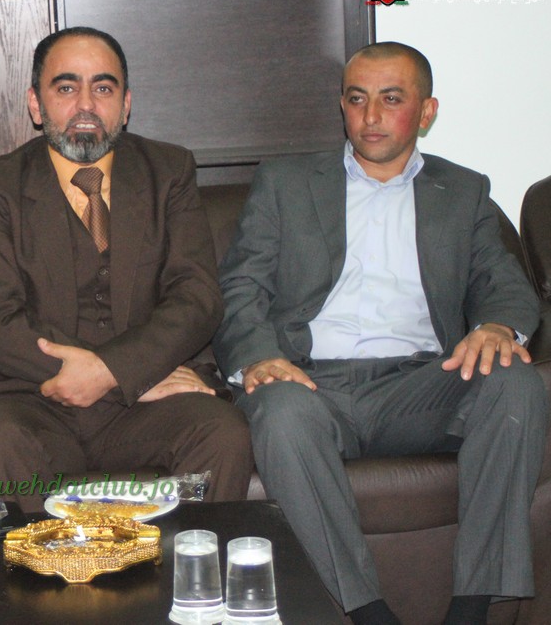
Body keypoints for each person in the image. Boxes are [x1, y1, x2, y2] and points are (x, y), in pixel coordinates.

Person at [212, 41, 548, 625]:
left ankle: (472, 608)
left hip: (420, 384)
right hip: (310, 384)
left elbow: (504, 283)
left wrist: (497, 325)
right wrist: (258, 356)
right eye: (356, 98)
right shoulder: (286, 182)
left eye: (391, 99)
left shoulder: (462, 190)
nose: (370, 116)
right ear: (341, 106)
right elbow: (241, 285)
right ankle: (368, 613)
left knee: (514, 381)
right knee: (282, 413)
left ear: (426, 111)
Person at [0, 27, 253, 512]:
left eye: (103, 88)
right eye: (66, 87)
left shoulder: (169, 171)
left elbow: (197, 297)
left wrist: (115, 372)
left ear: (125, 105)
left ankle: (189, 566)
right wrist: (115, 376)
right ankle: (33, 566)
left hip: (147, 403)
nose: (86, 104)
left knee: (221, 433)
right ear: (36, 104)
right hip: (33, 396)